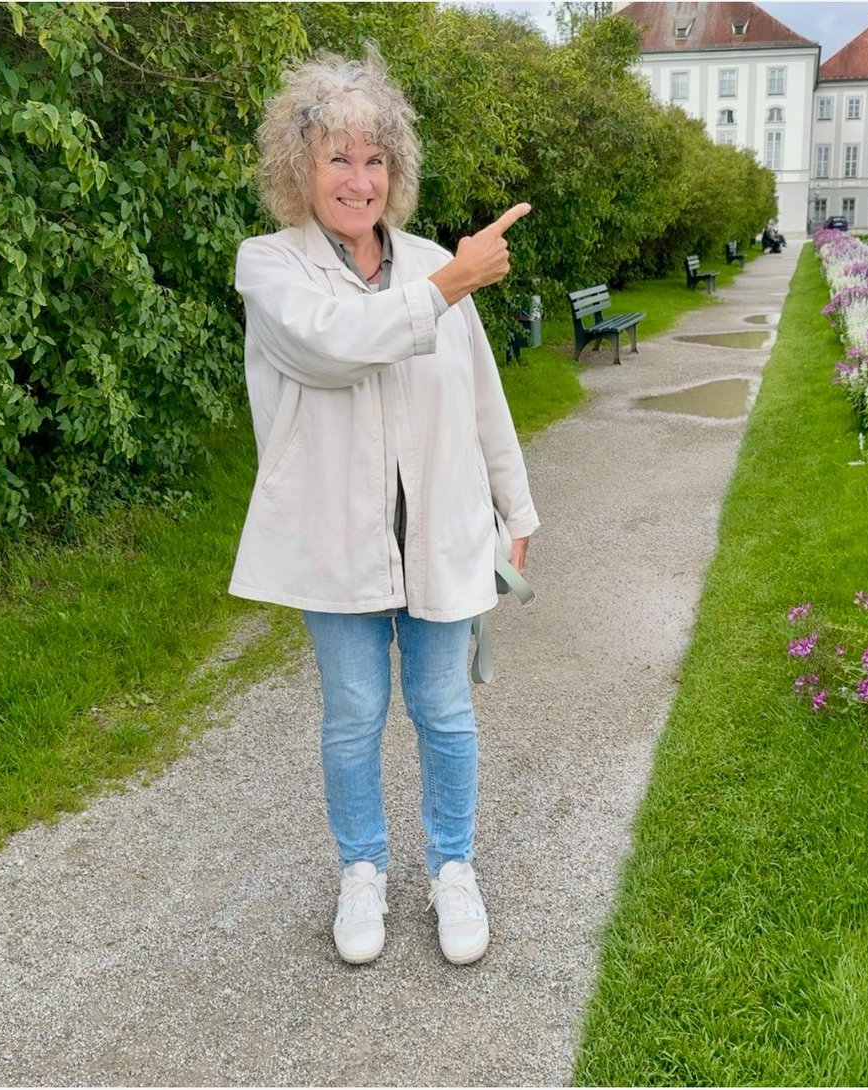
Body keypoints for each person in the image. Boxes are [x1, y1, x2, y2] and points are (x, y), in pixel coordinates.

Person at [230, 47, 539, 967]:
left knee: (445, 710)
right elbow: (332, 345)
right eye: (337, 157)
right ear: (299, 168)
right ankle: (361, 870)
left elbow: (483, 398)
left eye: (374, 159)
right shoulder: (270, 267)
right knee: (354, 713)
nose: (358, 179)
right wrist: (449, 287)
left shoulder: (436, 264)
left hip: (442, 534)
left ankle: (453, 868)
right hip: (336, 544)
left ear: (394, 171)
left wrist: (516, 510)